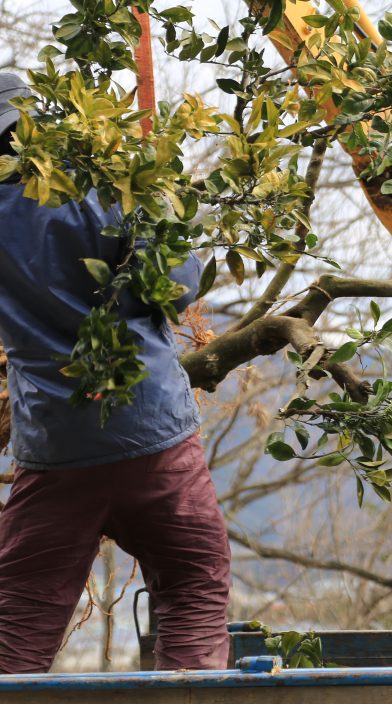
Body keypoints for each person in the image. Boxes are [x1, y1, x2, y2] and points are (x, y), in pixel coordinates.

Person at [0, 73, 230, 673]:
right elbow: (178, 287)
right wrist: (162, 199)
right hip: (151, 431)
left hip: (54, 445)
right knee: (193, 587)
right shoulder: (104, 186)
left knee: (17, 622)